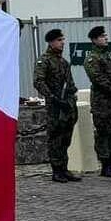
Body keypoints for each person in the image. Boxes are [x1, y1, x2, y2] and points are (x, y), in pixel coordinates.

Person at [32, 28, 81, 182]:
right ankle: (57, 170)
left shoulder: (64, 62)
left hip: (67, 105)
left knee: (66, 138)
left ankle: (64, 168)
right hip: (54, 106)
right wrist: (53, 97)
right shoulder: (44, 60)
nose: (62, 43)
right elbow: (38, 81)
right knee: (55, 139)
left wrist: (70, 97)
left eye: (63, 40)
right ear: (51, 42)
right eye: (59, 40)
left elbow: (70, 84)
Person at [83, 25, 111, 178]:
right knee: (103, 133)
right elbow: (98, 80)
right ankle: (105, 165)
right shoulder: (92, 59)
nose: (106, 38)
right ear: (95, 40)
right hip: (101, 102)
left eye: (106, 36)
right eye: (102, 36)